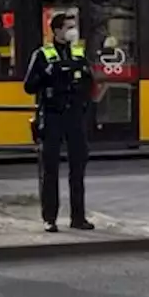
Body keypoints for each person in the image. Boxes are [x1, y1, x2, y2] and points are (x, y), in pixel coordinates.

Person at [24, 12, 96, 233]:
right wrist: (47, 74)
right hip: (53, 116)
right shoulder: (43, 55)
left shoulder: (78, 53)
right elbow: (28, 86)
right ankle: (50, 218)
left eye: (73, 26)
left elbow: (90, 83)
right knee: (51, 170)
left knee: (78, 168)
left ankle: (78, 217)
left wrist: (84, 101)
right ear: (56, 31)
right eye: (68, 27)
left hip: (74, 116)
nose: (72, 31)